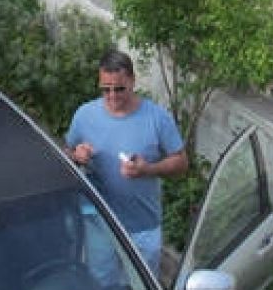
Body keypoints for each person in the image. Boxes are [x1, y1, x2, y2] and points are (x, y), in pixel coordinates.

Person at [66, 50, 188, 277]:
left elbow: (181, 162)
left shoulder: (157, 118)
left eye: (119, 88)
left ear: (132, 81)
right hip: (100, 224)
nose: (112, 96)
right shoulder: (84, 115)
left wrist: (148, 169)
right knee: (103, 288)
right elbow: (67, 151)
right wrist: (77, 155)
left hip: (143, 227)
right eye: (105, 89)